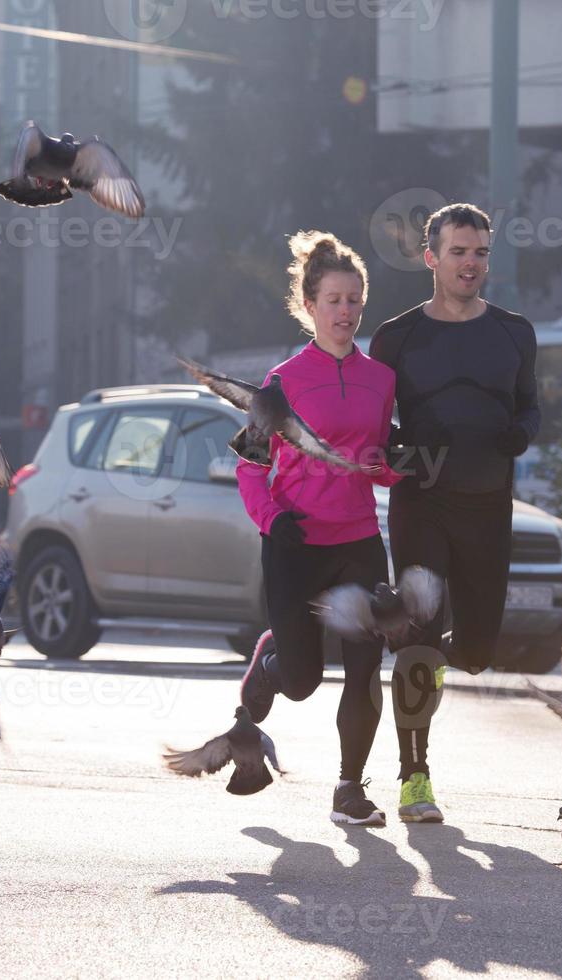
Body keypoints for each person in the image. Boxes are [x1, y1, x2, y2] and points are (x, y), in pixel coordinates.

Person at [369, 203, 540, 823]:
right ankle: (415, 776)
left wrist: (520, 433)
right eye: (460, 252)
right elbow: (373, 420)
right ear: (431, 258)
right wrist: (396, 450)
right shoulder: (397, 337)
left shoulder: (514, 332)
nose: (472, 264)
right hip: (423, 502)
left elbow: (530, 407)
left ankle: (425, 651)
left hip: (488, 506)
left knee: (473, 651)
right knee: (420, 634)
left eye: (481, 253)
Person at [237, 231, 404, 827]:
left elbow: (376, 460)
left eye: (355, 300)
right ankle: (273, 662)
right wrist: (274, 518)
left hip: (358, 541)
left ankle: (350, 789)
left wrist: (397, 469)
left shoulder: (380, 380)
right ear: (309, 305)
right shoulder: (281, 381)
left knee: (364, 665)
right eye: (334, 300)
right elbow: (251, 464)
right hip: (295, 543)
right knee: (305, 681)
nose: (346, 312)